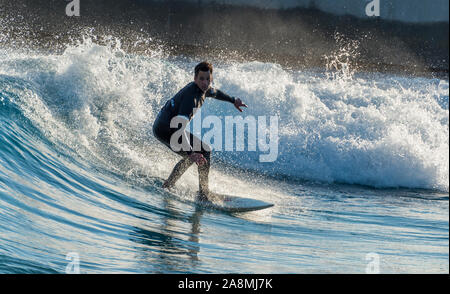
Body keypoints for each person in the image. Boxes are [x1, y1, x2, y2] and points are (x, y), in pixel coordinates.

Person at [153, 61, 247, 201]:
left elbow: (216, 93)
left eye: (208, 79)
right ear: (195, 79)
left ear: (211, 79)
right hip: (165, 128)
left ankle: (169, 185)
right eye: (201, 79)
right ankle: (203, 194)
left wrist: (233, 100)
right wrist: (191, 152)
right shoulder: (191, 98)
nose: (205, 82)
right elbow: (179, 127)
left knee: (199, 152)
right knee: (201, 151)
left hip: (169, 126)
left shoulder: (205, 89)